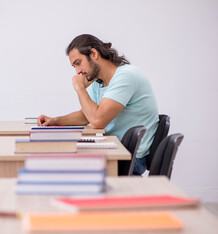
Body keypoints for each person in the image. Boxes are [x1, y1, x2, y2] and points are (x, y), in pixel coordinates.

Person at [37, 34, 159, 175]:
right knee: (60, 159)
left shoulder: (125, 76)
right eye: (74, 66)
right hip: (116, 149)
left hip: (131, 157)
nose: (78, 72)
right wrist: (55, 121)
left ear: (94, 54)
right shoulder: (99, 82)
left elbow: (97, 121)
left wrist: (79, 88)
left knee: (64, 167)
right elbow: (88, 115)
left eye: (78, 63)